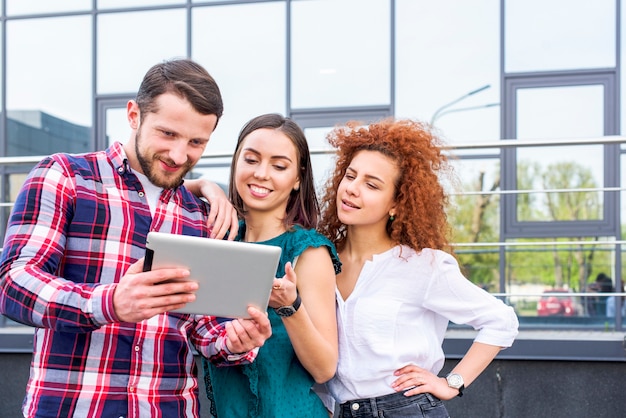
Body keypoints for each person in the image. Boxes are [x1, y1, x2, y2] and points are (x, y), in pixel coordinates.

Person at [0, 58, 272, 418]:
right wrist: (109, 302)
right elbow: (12, 284)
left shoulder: (197, 214)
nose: (179, 155)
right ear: (133, 115)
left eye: (196, 142)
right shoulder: (65, 177)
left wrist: (236, 340)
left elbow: (203, 329)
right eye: (168, 134)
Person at [316, 118, 519, 417]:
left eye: (371, 184)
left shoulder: (424, 266)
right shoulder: (320, 259)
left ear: (396, 204)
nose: (352, 189)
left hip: (406, 409)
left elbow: (501, 321)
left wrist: (451, 383)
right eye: (350, 176)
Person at [187, 113, 341, 417]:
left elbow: (325, 369)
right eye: (251, 160)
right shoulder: (220, 239)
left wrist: (289, 305)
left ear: (297, 178)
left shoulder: (307, 251)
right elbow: (165, 190)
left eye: (279, 166)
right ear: (235, 164)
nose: (261, 173)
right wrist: (207, 185)